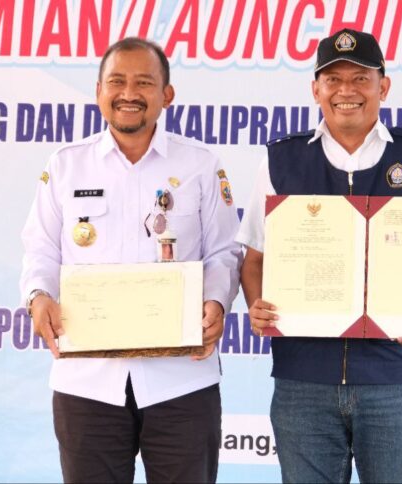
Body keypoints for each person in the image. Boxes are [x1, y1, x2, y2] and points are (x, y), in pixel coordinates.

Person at [237, 29, 402, 483]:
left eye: (361, 78)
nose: (347, 90)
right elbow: (255, 260)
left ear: (384, 86)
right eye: (333, 79)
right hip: (304, 380)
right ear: (315, 89)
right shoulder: (281, 160)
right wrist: (257, 305)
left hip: (394, 379)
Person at [20, 37, 242, 483]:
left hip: (182, 379)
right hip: (87, 382)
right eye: (116, 81)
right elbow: (41, 249)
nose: (128, 93)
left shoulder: (200, 165)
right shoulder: (66, 165)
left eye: (144, 82)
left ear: (167, 94)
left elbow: (225, 251)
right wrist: (38, 296)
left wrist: (216, 302)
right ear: (98, 90)